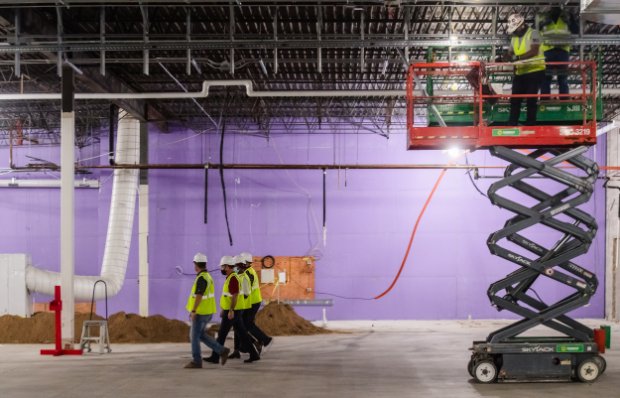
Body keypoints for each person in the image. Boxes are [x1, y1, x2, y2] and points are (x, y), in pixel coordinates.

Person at [203, 255, 260, 364]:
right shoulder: (231, 277)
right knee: (242, 333)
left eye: (223, 267)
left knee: (222, 334)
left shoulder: (233, 278)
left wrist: (230, 310)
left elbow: (235, 295)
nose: (222, 269)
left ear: (228, 267)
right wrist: (225, 309)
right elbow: (228, 297)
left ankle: (215, 357)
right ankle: (254, 354)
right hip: (234, 311)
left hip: (233, 311)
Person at [184, 252, 230, 369]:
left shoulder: (202, 278)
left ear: (196, 265)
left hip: (201, 312)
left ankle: (197, 361)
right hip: (207, 311)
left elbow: (199, 295)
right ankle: (222, 350)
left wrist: (193, 310)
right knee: (201, 335)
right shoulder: (207, 277)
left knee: (194, 337)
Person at [228, 253, 273, 359]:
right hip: (250, 301)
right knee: (239, 325)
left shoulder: (247, 273)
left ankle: (261, 340)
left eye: (237, 265)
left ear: (245, 263)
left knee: (245, 325)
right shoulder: (247, 271)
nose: (235, 267)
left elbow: (246, 291)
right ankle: (238, 349)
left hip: (251, 302)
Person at [506, 13, 546, 126]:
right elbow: (510, 52)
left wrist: (517, 58)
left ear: (522, 25)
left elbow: (534, 51)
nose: (515, 31)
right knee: (515, 100)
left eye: (516, 29)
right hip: (521, 72)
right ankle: (512, 123)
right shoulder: (514, 38)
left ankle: (531, 123)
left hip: (535, 71)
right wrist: (505, 57)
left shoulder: (534, 33)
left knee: (531, 99)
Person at [539, 7, 579, 97]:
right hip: (547, 50)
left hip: (563, 51)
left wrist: (570, 22)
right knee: (546, 78)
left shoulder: (568, 16)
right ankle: (545, 100)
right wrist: (542, 24)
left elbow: (576, 31)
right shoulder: (542, 17)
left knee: (563, 78)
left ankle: (564, 100)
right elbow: (534, 32)